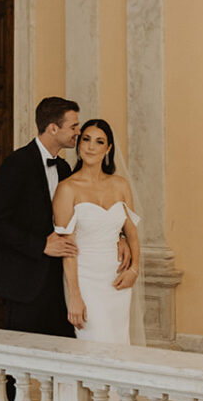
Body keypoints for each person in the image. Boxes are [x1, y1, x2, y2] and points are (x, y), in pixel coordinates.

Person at [0, 97, 83, 337]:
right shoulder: (16, 164)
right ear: (53, 128)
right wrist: (41, 245)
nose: (77, 132)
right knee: (19, 363)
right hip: (22, 281)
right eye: (73, 126)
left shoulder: (63, 169)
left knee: (58, 356)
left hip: (56, 281)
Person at [52, 118, 140, 343]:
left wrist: (134, 270)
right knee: (96, 345)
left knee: (118, 344)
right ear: (79, 144)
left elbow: (131, 232)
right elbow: (66, 247)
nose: (91, 146)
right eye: (86, 139)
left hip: (117, 278)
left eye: (99, 142)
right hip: (85, 279)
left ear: (108, 148)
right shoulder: (67, 188)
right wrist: (75, 296)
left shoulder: (121, 185)